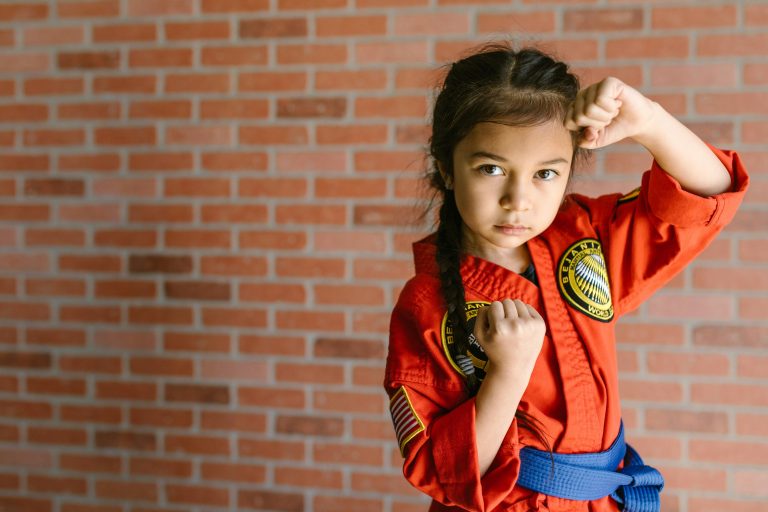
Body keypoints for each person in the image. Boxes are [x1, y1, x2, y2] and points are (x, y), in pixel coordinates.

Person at [384, 43, 749, 512]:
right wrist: (508, 371)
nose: (519, 199)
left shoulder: (587, 238)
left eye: (545, 174)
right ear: (447, 169)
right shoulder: (426, 304)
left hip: (603, 498)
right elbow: (447, 474)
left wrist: (650, 122)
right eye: (491, 168)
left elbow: (707, 194)